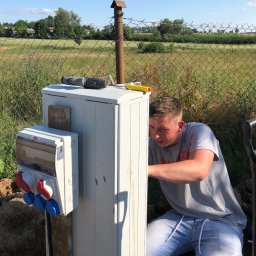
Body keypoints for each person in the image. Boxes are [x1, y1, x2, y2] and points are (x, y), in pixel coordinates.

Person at [147, 96, 247, 256]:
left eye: (163, 130)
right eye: (152, 127)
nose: (156, 135)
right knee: (134, 249)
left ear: (180, 125)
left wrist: (148, 170)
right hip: (178, 216)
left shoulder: (200, 132)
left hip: (220, 219)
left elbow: (199, 169)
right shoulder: (152, 145)